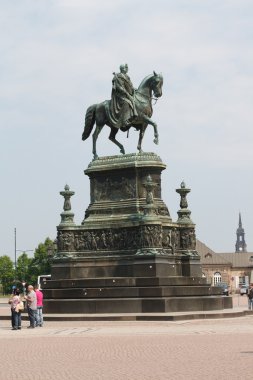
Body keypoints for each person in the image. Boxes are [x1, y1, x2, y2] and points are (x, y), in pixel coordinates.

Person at [111, 63, 137, 129]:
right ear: (123, 69)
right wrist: (124, 91)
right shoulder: (118, 76)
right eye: (126, 68)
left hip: (127, 94)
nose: (127, 69)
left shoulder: (127, 76)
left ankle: (134, 116)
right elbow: (118, 86)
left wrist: (133, 88)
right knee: (127, 103)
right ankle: (125, 120)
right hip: (119, 95)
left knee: (134, 100)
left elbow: (130, 85)